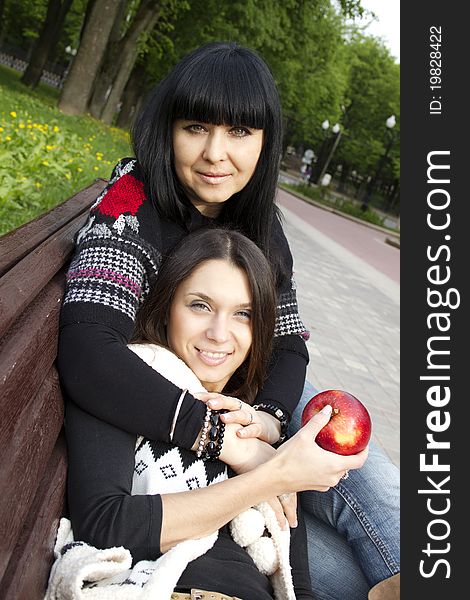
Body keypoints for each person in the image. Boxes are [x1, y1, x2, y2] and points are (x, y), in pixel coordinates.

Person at [58, 41, 399, 599]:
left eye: (240, 133)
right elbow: (89, 349)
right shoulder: (132, 206)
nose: (216, 153)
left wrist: (264, 420)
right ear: (168, 128)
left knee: (348, 450)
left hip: (241, 408)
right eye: (196, 127)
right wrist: (220, 438)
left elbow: (288, 346)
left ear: (265, 142)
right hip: (164, 418)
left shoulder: (261, 225)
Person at [59, 227, 367, 600]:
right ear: (167, 306)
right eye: (200, 305)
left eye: (243, 314)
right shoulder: (126, 384)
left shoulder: (253, 419)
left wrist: (278, 470)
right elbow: (105, 525)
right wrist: (272, 477)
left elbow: (292, 575)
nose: (220, 334)